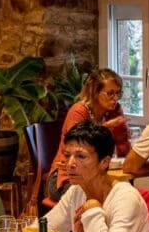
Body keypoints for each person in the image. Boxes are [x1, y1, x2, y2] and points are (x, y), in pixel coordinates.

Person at [49, 69, 131, 201]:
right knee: (96, 197)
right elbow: (79, 148)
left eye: (118, 93)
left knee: (122, 196)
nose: (115, 98)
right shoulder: (79, 111)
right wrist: (105, 128)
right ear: (95, 92)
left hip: (98, 176)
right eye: (110, 93)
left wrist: (121, 131)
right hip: (67, 177)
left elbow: (124, 148)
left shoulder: (114, 111)